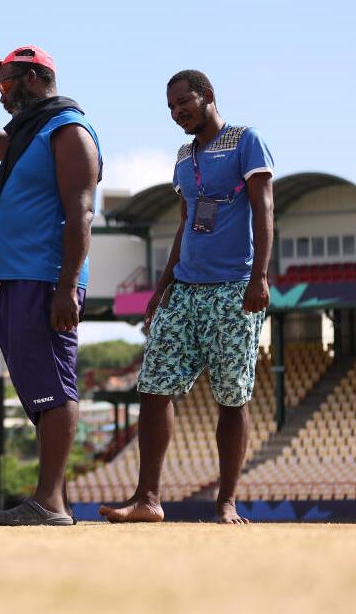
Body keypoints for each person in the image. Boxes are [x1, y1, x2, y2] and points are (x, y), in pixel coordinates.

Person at [100, 70, 274, 525]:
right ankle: (147, 499)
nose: (178, 113)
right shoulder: (183, 156)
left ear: (208, 96)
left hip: (234, 288)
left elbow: (264, 207)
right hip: (185, 289)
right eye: (171, 108)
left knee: (232, 397)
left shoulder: (245, 141)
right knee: (154, 387)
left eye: (184, 103)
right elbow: (185, 221)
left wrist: (259, 276)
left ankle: (226, 503)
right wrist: (162, 286)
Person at [0, 45, 102, 525]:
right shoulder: (28, 133)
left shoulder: (67, 130)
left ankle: (48, 503)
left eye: (6, 84)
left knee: (56, 385)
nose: (2, 93)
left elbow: (81, 213)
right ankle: (52, 501)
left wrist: (67, 287)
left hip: (47, 279)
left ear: (33, 78)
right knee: (38, 388)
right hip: (15, 277)